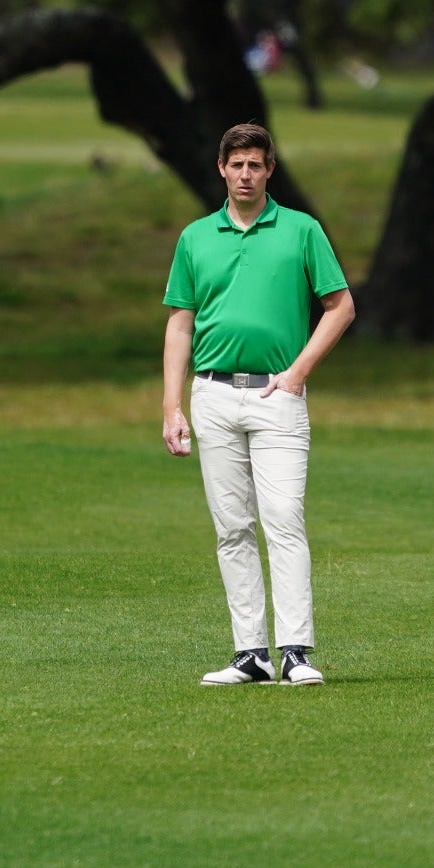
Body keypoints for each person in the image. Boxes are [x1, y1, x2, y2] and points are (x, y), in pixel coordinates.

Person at [161, 122, 356, 686]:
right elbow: (180, 322)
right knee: (232, 526)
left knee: (284, 519)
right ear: (221, 169)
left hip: (277, 393)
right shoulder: (196, 237)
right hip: (214, 393)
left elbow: (340, 306)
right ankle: (251, 653)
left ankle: (295, 649)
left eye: (256, 164)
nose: (246, 174)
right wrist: (172, 405)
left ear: (271, 169)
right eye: (236, 164)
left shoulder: (300, 230)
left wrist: (298, 372)